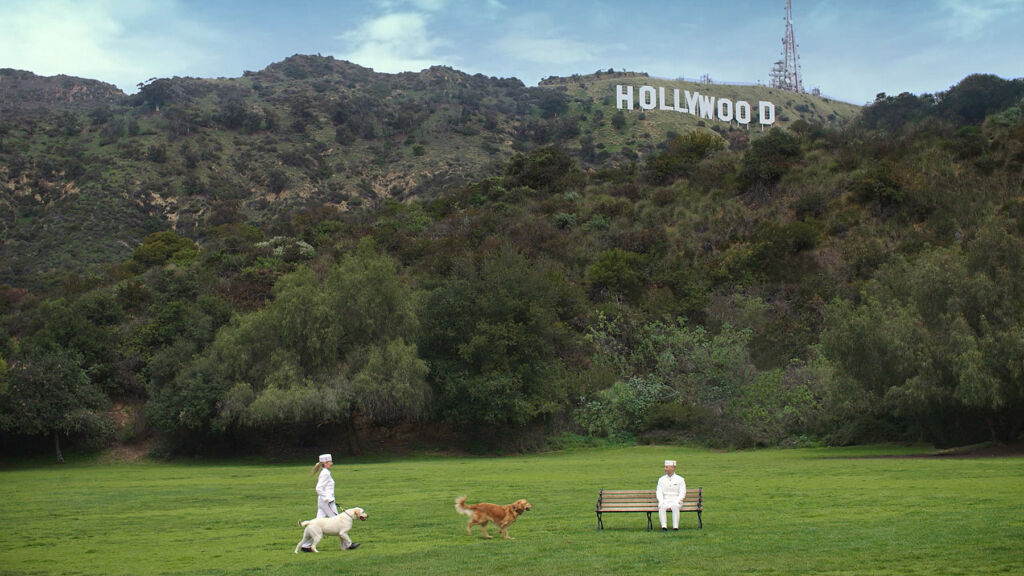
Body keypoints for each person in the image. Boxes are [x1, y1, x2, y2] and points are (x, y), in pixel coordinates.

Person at [299, 453, 340, 552]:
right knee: (339, 522)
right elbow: (318, 488)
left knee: (316, 525)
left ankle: (305, 545)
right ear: (325, 463)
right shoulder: (325, 473)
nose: (332, 463)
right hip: (327, 502)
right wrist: (328, 498)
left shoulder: (325, 472)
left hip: (322, 502)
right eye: (330, 462)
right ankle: (347, 544)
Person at [656, 459, 686, 531]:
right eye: (665, 467)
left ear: (672, 468)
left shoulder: (680, 479)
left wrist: (677, 501)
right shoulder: (661, 479)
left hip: (676, 500)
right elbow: (659, 492)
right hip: (665, 500)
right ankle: (664, 527)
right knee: (662, 506)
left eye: (666, 467)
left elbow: (682, 492)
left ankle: (675, 527)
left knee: (675, 506)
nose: (665, 469)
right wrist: (661, 501)